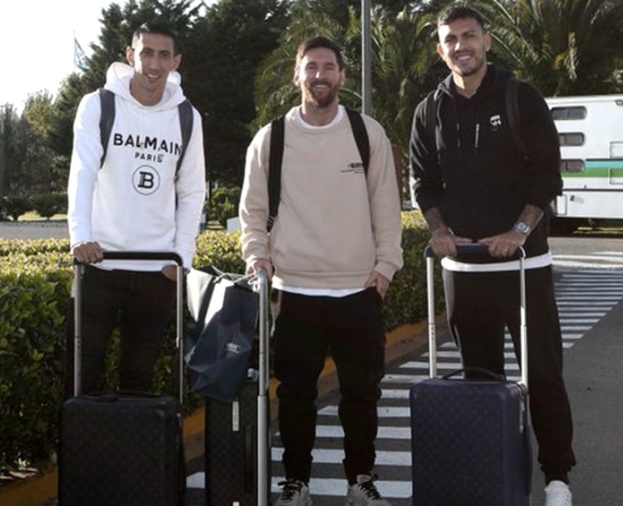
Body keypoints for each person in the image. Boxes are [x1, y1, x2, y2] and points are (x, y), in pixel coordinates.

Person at [409, 5, 575, 506]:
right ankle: (493, 476)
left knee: (542, 375)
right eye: (451, 39)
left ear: (486, 41)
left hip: (524, 266)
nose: (461, 46)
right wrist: (440, 231)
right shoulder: (429, 111)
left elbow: (547, 176)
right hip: (464, 267)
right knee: (481, 380)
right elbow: (423, 183)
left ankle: (557, 479)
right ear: (440, 50)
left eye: (469, 36)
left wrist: (519, 231)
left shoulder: (521, 98)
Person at [239, 36, 403, 506]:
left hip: (358, 292)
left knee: (362, 397)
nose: (319, 75)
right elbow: (252, 211)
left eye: (328, 67)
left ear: (342, 76)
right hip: (294, 293)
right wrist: (257, 257)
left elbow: (386, 207)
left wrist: (385, 267)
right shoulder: (272, 138)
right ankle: (297, 484)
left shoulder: (366, 133)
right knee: (295, 397)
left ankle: (360, 482)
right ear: (297, 75)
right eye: (310, 67)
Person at [67, 20, 206, 394]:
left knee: (139, 382)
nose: (154, 64)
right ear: (130, 55)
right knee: (81, 380)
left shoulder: (187, 117)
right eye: (146, 53)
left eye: (163, 55)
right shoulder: (99, 104)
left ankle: (137, 436)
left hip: (157, 272)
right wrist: (80, 237)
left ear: (176, 61)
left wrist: (182, 257)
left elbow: (192, 192)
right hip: (99, 265)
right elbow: (82, 173)